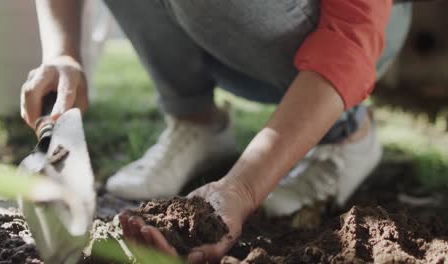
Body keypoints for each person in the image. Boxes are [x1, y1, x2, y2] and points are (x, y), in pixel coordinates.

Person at [20, 0, 412, 263]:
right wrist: (62, 52)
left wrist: (241, 189)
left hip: (357, 27)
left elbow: (352, 33)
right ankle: (195, 121)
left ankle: (344, 134)